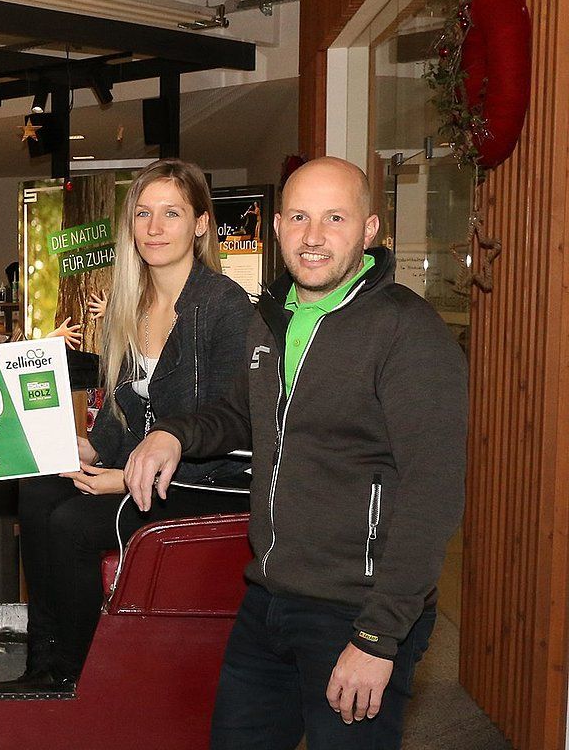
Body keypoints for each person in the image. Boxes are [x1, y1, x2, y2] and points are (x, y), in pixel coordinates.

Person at [124, 157, 467, 749]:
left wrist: (379, 638)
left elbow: (431, 495)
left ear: (369, 230)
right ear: (278, 226)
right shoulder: (272, 320)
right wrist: (173, 433)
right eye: (301, 217)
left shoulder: (407, 332)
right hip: (268, 598)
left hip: (357, 611)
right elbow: (238, 413)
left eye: (335, 218)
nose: (313, 236)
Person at [17, 159, 253, 682]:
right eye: (144, 214)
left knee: (72, 524)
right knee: (36, 493)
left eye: (171, 213)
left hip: (201, 482)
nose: (154, 228)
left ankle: (76, 678)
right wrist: (87, 449)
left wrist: (122, 480)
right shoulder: (131, 302)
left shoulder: (224, 305)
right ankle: (41, 668)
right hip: (136, 471)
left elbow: (227, 422)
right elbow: (122, 412)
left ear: (200, 224)